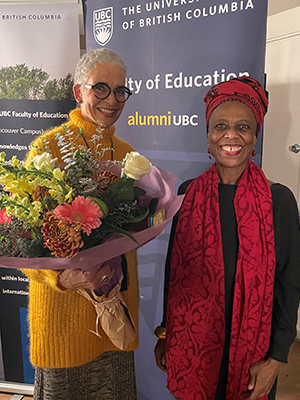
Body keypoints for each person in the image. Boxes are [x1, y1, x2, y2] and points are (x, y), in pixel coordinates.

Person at [154, 76, 300, 400]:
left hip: (254, 357)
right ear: (208, 137)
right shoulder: (187, 193)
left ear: (255, 137)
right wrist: (166, 333)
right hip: (195, 346)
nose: (231, 135)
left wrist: (276, 359)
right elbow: (174, 273)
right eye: (220, 126)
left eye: (243, 127)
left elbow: (289, 284)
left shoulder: (279, 201)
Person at [23, 48, 139, 400]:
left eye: (120, 91)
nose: (112, 99)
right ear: (79, 91)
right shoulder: (48, 150)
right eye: (100, 88)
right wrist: (58, 277)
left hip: (114, 316)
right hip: (63, 320)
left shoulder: (127, 155)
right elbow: (22, 240)